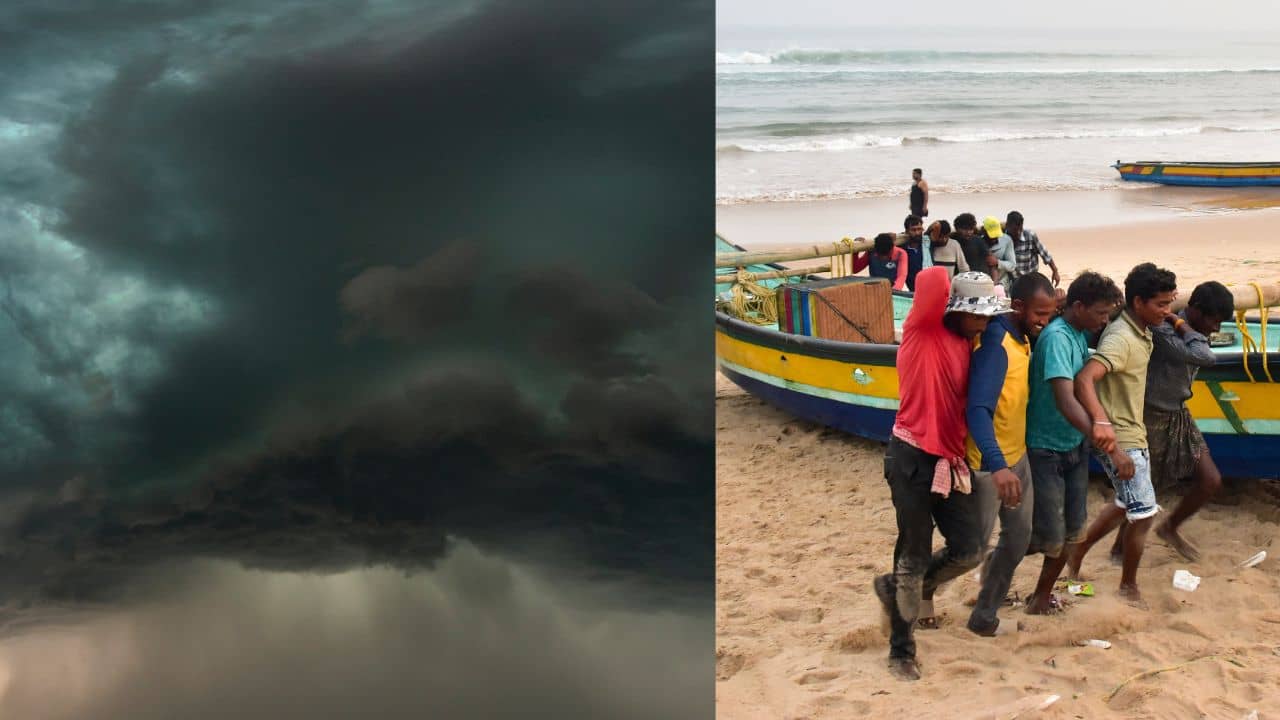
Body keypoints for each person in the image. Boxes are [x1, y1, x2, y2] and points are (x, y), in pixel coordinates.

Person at [873, 269, 1011, 681]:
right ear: (953, 308)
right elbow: (932, 277)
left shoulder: (969, 342)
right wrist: (963, 267)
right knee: (912, 555)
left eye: (987, 316)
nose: (982, 323)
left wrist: (988, 298)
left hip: (950, 461)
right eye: (975, 315)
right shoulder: (923, 329)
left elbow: (999, 324)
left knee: (970, 548)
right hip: (911, 456)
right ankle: (901, 650)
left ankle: (896, 588)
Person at [1065, 263, 1177, 608]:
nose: (1167, 311)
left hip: (1132, 431)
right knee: (1143, 514)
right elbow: (1085, 379)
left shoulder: (1139, 329)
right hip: (1121, 437)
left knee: (1125, 503)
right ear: (1138, 302)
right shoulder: (1121, 338)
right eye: (1161, 304)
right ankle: (1128, 586)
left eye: (1170, 303)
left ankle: (1077, 552)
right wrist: (1102, 424)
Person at [963, 272, 1059, 637]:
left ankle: (984, 617)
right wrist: (998, 466)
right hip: (990, 467)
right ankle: (917, 592)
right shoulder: (996, 345)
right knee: (968, 551)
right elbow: (977, 411)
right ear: (1017, 306)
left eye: (1050, 314)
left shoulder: (1023, 336)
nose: (1044, 322)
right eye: (1039, 314)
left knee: (1018, 539)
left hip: (1018, 458)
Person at [1109, 281, 1233, 562]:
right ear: (1195, 310)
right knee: (1144, 487)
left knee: (1211, 480)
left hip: (1178, 412)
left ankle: (1169, 528)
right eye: (1213, 321)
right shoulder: (1165, 329)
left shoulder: (1192, 331)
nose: (1215, 328)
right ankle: (1118, 547)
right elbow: (1205, 356)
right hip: (1150, 415)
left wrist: (1186, 327)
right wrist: (1180, 324)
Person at [1022, 272, 1123, 616]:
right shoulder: (1057, 339)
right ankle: (996, 568)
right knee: (1048, 536)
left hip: (1073, 446)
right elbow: (1065, 399)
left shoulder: (1079, 333)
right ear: (1079, 307)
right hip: (1046, 446)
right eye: (1101, 313)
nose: (1104, 321)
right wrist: (1102, 438)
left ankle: (1040, 597)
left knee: (1073, 531)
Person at [1003, 211, 1061, 287]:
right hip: (1011, 281)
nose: (1018, 233)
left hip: (1030, 279)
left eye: (1020, 229)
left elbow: (1045, 254)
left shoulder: (1030, 236)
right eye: (1015, 230)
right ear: (1007, 226)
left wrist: (1055, 271)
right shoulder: (1002, 238)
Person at [982, 216, 1016, 292]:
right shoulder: (978, 242)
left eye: (996, 235)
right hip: (983, 285)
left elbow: (1012, 265)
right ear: (984, 231)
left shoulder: (1007, 240)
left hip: (1003, 284)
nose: (995, 238)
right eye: (992, 236)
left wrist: (997, 262)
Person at [902, 215, 929, 291]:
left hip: (930, 285)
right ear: (907, 231)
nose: (917, 233)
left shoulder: (927, 244)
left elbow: (937, 225)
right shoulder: (903, 249)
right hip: (914, 290)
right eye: (913, 230)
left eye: (919, 229)